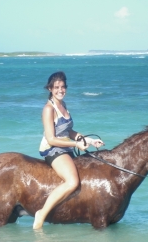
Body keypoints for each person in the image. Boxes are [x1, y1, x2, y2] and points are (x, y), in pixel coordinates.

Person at [33, 71, 104, 229]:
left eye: (63, 87)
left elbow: (69, 132)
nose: (60, 90)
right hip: (53, 150)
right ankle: (42, 213)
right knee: (72, 181)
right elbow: (51, 139)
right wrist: (76, 145)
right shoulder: (48, 109)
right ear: (50, 89)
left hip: (65, 146)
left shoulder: (63, 105)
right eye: (56, 87)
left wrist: (88, 140)